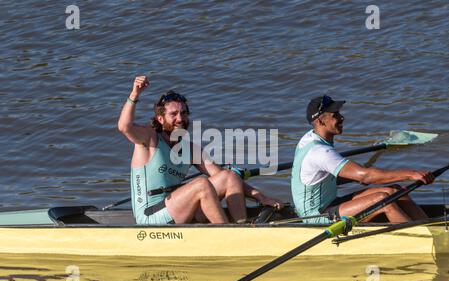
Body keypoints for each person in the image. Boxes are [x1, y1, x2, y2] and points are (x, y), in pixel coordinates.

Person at [118, 75, 283, 225]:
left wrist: (262, 197)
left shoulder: (189, 149)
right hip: (150, 216)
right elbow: (124, 127)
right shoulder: (149, 138)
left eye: (183, 113)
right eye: (173, 114)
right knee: (201, 184)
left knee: (230, 175)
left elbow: (224, 178)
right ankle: (226, 233)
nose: (180, 119)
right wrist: (134, 96)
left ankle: (240, 225)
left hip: (177, 208)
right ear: (160, 119)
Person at [291, 95, 434, 224]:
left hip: (331, 203)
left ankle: (428, 227)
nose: (341, 118)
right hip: (315, 217)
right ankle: (422, 241)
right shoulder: (319, 151)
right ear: (320, 121)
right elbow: (366, 176)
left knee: (394, 191)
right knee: (383, 201)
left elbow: (323, 177)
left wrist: (356, 176)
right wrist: (410, 174)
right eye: (335, 115)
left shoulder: (310, 138)